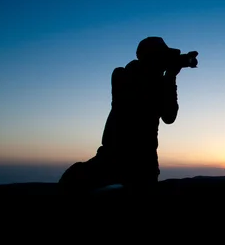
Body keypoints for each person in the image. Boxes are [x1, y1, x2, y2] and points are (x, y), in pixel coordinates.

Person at [59, 37, 198, 192]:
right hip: (119, 161)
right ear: (151, 58)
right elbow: (166, 114)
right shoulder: (125, 76)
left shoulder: (151, 81)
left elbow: (168, 115)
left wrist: (169, 74)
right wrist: (169, 76)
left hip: (139, 163)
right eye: (162, 57)